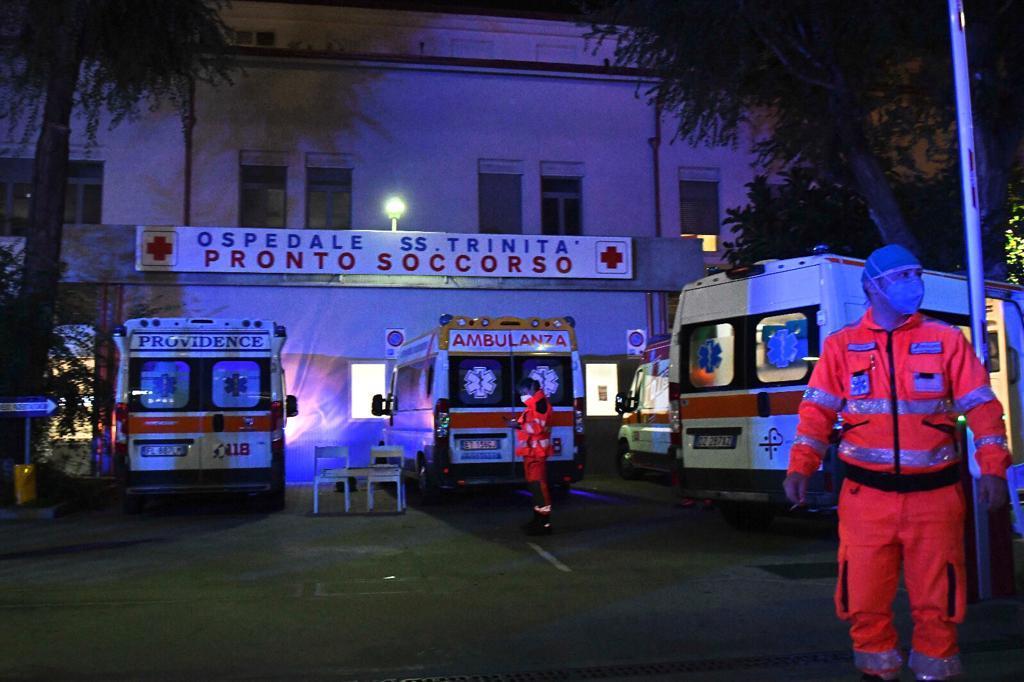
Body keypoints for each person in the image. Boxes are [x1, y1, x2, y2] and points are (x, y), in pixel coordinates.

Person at [784, 244, 1010, 681]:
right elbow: (816, 413)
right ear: (872, 287)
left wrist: (994, 469)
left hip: (935, 498)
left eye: (916, 274)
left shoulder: (947, 340)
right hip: (865, 499)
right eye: (902, 276)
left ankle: (936, 671)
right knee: (864, 599)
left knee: (938, 602)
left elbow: (984, 409)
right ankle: (877, 672)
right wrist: (801, 466)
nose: (914, 284)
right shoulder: (841, 346)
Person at [509, 376, 553, 535]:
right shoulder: (532, 405)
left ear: (531, 388)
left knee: (539, 487)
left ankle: (544, 523)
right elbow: (528, 424)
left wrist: (518, 425)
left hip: (537, 453)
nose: (522, 395)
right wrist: (517, 424)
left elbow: (537, 428)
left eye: (523, 391)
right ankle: (537, 519)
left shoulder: (540, 404)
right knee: (534, 487)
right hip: (531, 453)